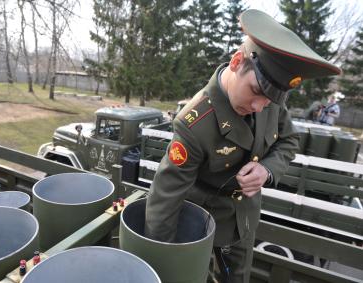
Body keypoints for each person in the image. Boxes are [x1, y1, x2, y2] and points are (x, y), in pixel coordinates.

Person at [144, 9, 341, 283]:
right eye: (256, 93)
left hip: (245, 220)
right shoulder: (194, 123)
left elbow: (289, 140)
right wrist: (162, 264)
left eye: (269, 102)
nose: (259, 107)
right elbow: (164, 200)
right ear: (237, 62)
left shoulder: (269, 96)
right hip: (203, 227)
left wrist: (267, 171)